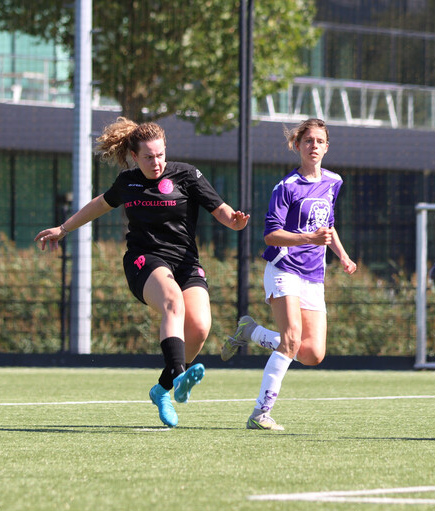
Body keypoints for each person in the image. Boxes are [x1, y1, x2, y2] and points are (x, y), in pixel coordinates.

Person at [35, 117, 250, 428]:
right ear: (134, 157)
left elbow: (222, 210)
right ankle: (178, 375)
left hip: (186, 263)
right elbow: (100, 204)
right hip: (144, 260)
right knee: (172, 301)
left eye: (160, 154)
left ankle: (162, 390)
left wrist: (235, 221)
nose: (156, 162)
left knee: (201, 327)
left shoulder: (187, 175)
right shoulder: (128, 182)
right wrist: (64, 228)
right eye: (148, 157)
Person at [219, 118, 357, 431]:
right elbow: (271, 235)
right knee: (292, 338)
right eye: (308, 141)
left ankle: (251, 332)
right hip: (284, 269)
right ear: (297, 146)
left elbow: (328, 225)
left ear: (327, 147)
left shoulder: (334, 182)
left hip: (313, 276)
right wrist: (308, 239)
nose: (314, 147)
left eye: (320, 141)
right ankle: (260, 413)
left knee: (312, 354)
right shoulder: (286, 187)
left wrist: (344, 256)